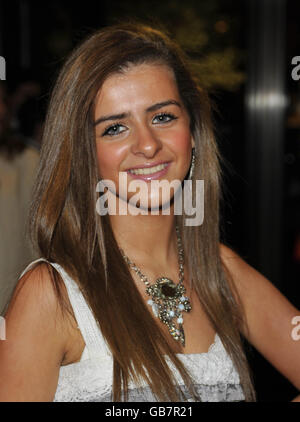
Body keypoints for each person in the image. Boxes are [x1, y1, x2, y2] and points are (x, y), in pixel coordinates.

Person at [0, 23, 299, 402]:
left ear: (192, 132)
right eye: (115, 128)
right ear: (83, 154)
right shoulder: (52, 296)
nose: (147, 145)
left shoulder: (221, 272)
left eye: (162, 117)